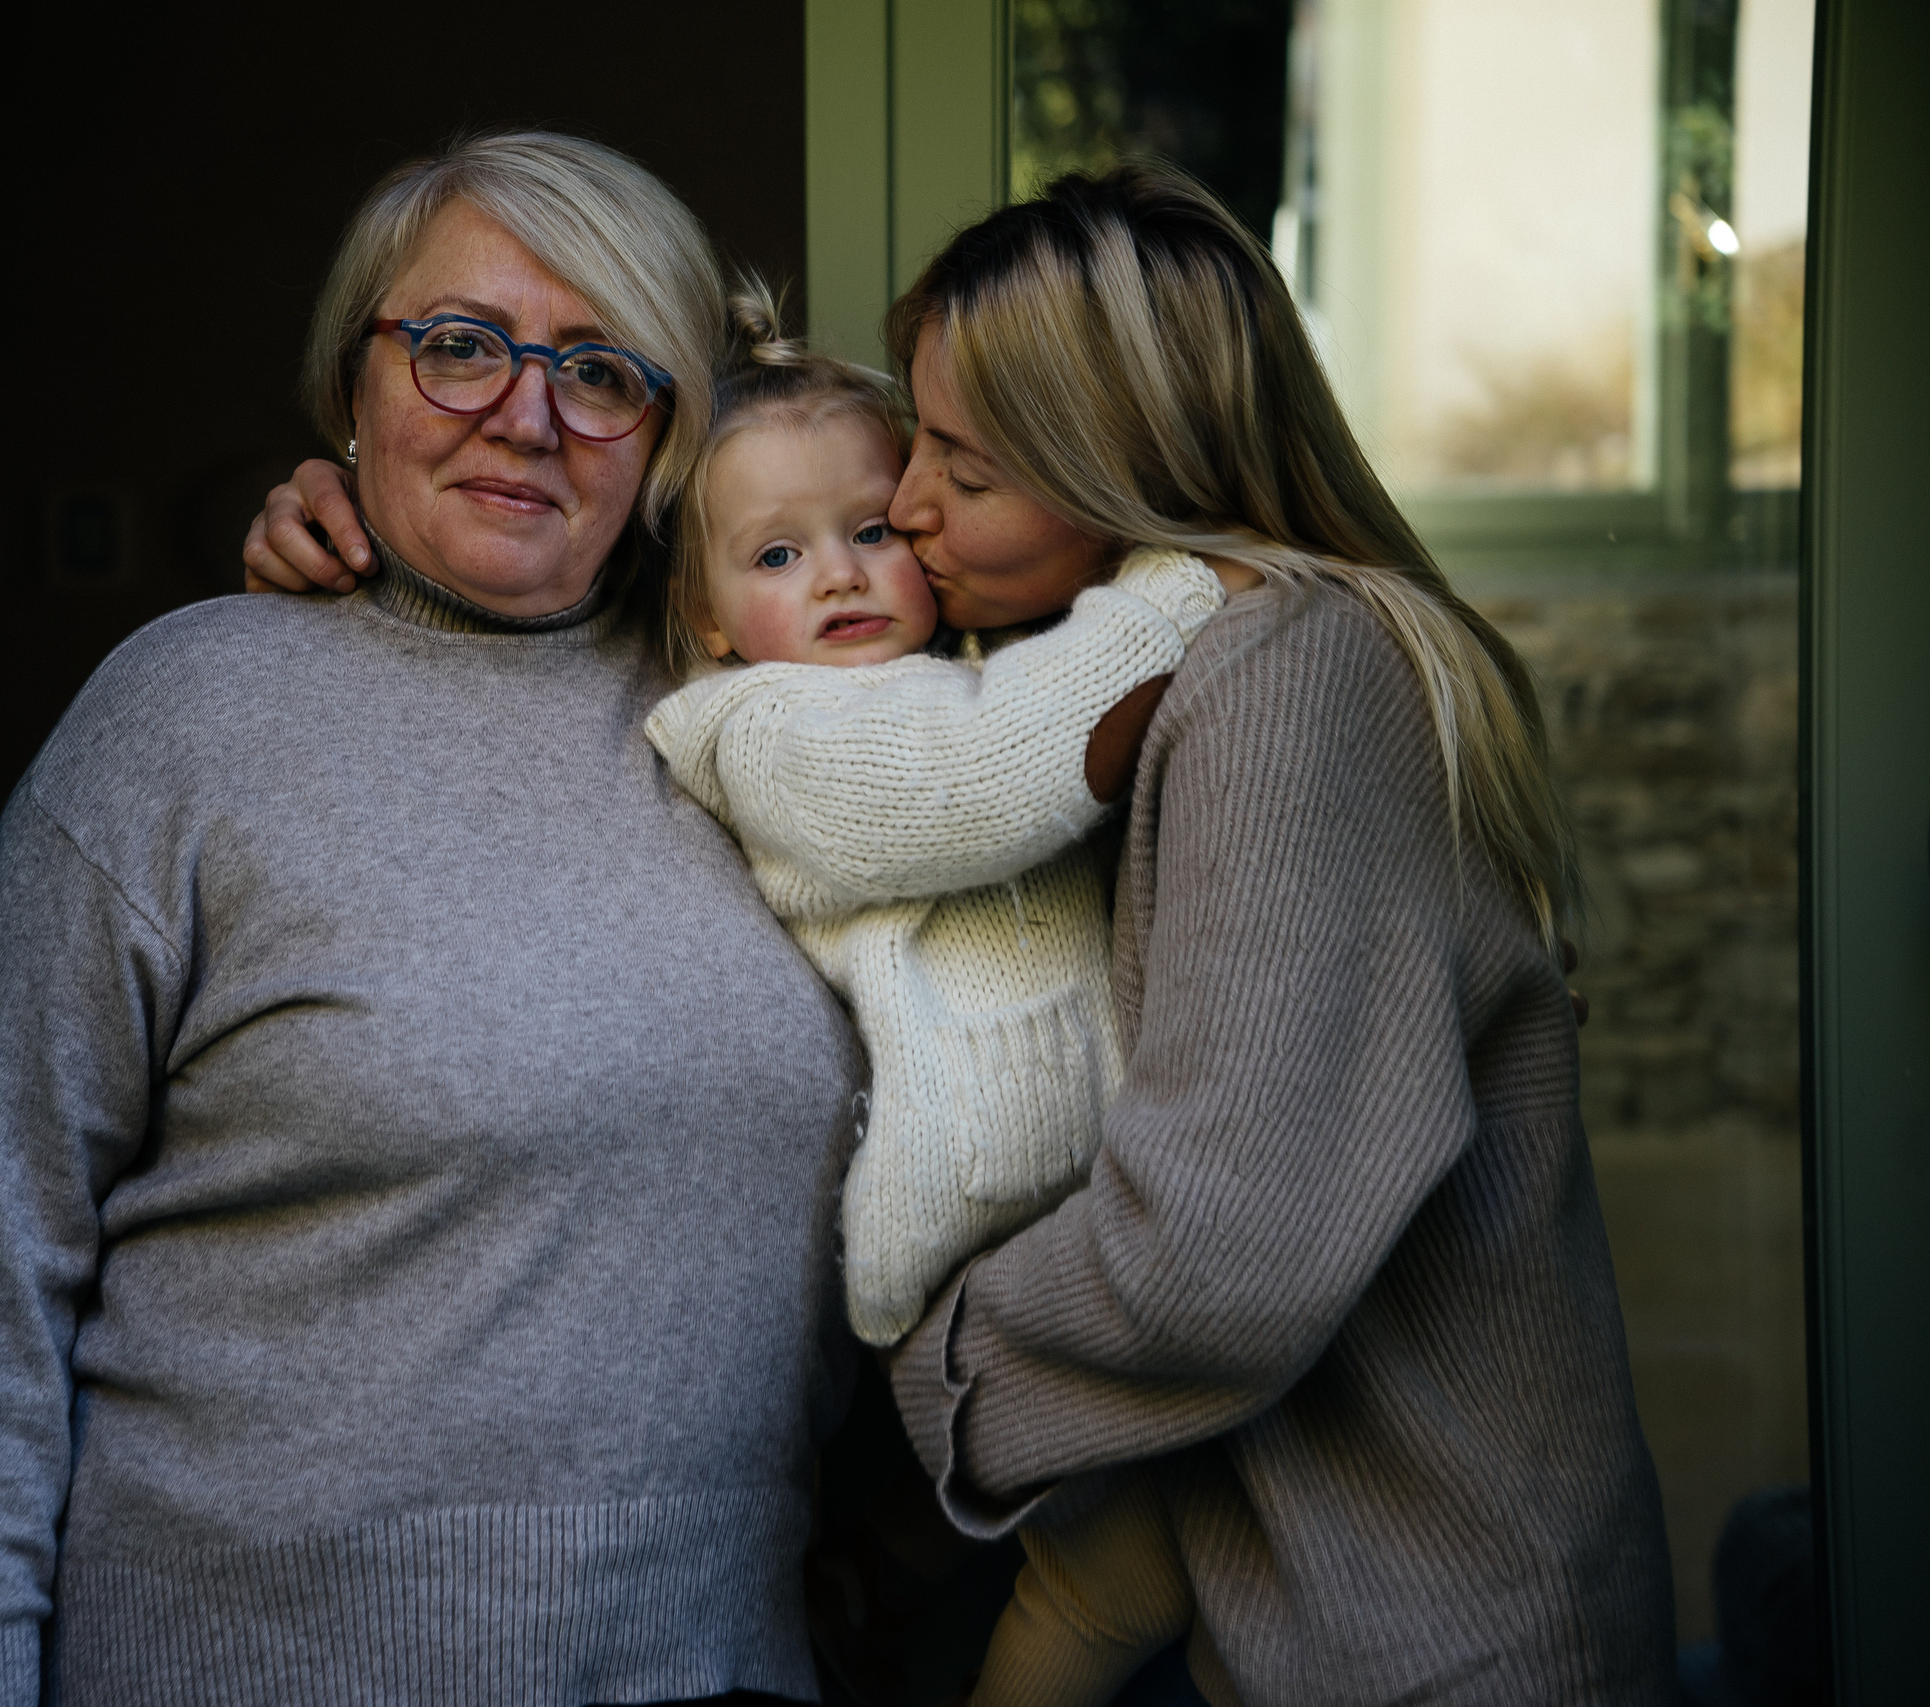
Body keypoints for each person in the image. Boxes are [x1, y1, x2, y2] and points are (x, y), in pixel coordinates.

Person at [256, 162, 1679, 1707]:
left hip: (1415, 1633)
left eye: (959, 465)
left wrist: (936, 1389)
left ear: (1111, 471)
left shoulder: (1286, 671)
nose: (908, 513)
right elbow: (747, 613)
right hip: (1280, 1594)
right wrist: (363, 523)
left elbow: (1218, 1253)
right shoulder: (1103, 665)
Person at [0, 131, 869, 1707]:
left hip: (712, 1660)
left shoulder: (790, 716)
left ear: (673, 432)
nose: (526, 418)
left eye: (602, 370)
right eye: (459, 348)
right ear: (356, 386)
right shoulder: (182, 719)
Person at [641, 282, 1226, 1707]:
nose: (839, 575)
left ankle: (881, 1573)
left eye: (873, 531)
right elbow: (987, 777)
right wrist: (1194, 582)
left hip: (1089, 1203)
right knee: (1130, 1576)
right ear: (706, 620)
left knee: (1151, 1539)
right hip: (972, 1234)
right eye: (777, 554)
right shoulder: (760, 730)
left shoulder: (974, 671)